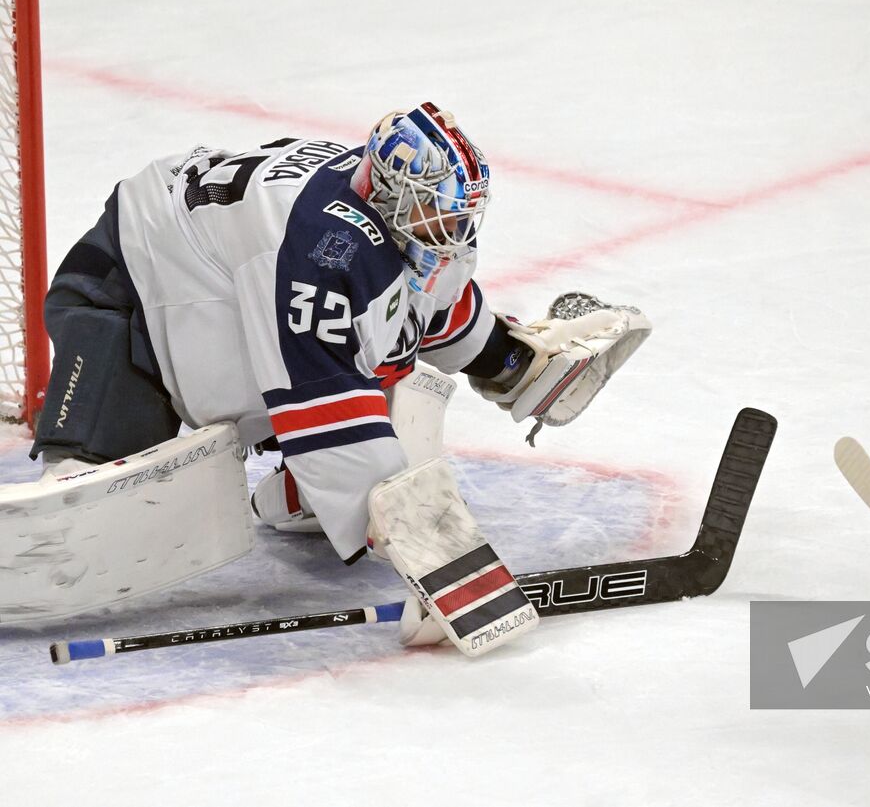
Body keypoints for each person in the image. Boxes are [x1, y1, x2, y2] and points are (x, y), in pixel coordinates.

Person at [30, 101, 645, 568]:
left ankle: (314, 484)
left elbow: (418, 306)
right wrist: (417, 543)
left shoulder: (392, 218)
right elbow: (317, 392)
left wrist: (504, 359)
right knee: (99, 501)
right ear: (387, 192)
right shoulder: (320, 247)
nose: (451, 229)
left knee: (378, 354)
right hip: (131, 282)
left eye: (459, 213)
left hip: (223, 279)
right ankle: (59, 495)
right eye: (436, 210)